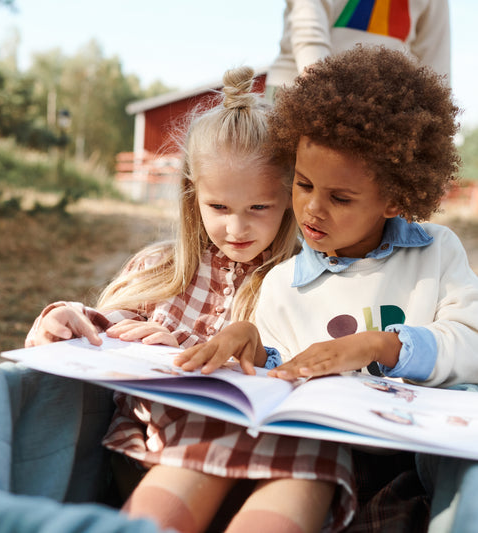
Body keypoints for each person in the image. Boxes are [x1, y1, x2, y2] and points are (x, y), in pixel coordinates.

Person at [26, 67, 356, 533]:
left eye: (259, 208)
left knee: (306, 466)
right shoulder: (162, 268)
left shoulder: (307, 276)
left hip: (289, 447)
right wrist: (68, 318)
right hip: (178, 448)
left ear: (289, 198)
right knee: (195, 456)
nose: (236, 229)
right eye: (219, 207)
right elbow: (110, 324)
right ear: (193, 195)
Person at [174, 45, 478, 530]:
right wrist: (255, 349)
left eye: (340, 197)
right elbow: (286, 375)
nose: (312, 209)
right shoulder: (282, 282)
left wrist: (380, 345)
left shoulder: (435, 252)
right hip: (328, 463)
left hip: (426, 458)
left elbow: (472, 345)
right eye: (302, 184)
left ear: (395, 198)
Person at [266, 0, 451, 99]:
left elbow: (435, 62)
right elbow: (308, 30)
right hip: (299, 89)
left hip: (384, 110)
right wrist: (324, 97)